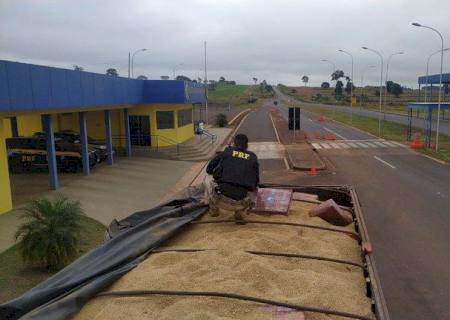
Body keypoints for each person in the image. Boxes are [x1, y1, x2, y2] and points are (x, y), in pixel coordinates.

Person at [205, 134, 260, 222]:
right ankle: (240, 211)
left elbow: (209, 169)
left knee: (207, 178)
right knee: (256, 187)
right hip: (242, 202)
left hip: (221, 199)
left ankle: (214, 209)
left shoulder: (227, 152)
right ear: (247, 145)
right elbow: (256, 181)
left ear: (234, 143)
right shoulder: (253, 157)